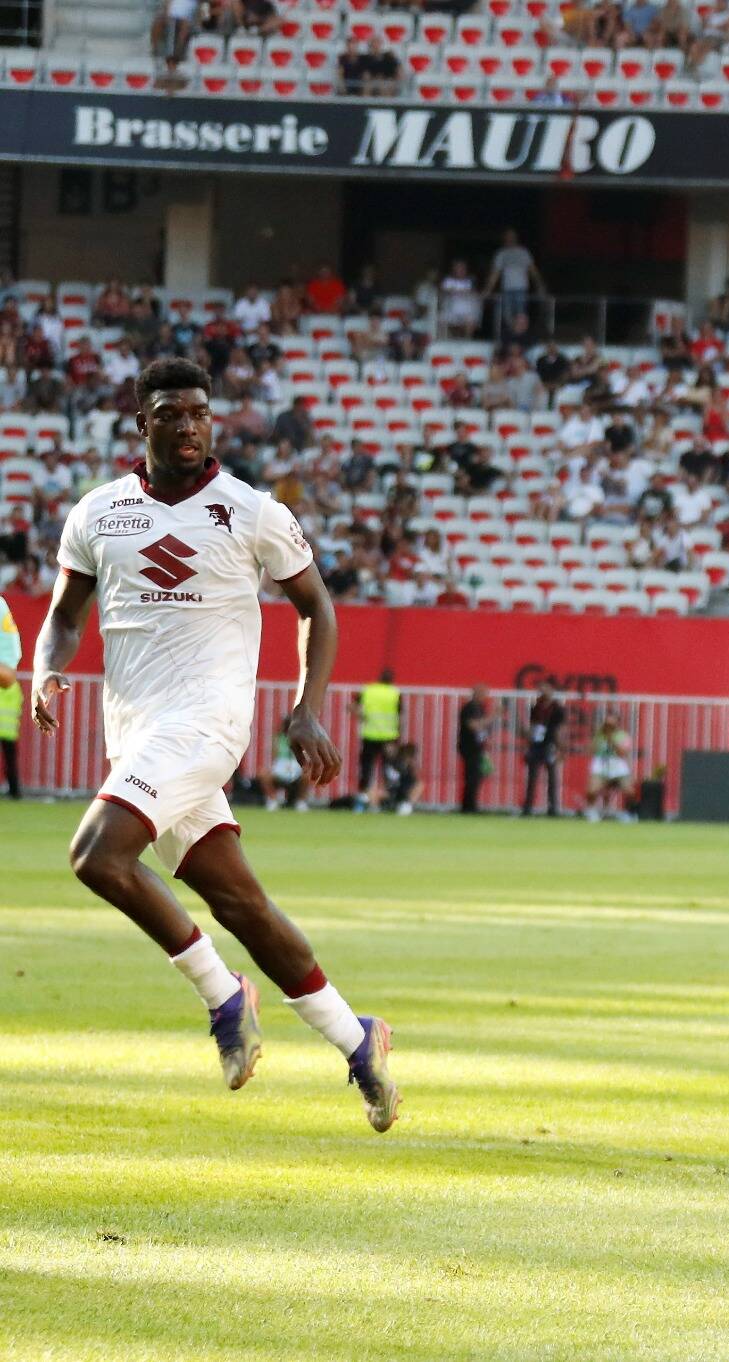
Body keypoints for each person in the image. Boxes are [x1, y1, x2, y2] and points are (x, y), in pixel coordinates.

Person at [28, 357, 398, 1130]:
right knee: (241, 904)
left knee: (96, 856)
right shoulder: (98, 513)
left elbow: (317, 607)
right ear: (144, 423)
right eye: (171, 413)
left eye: (199, 412)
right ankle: (357, 1039)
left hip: (206, 723)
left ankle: (225, 999)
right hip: (136, 733)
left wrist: (305, 710)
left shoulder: (252, 511)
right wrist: (46, 667)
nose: (189, 425)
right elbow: (64, 614)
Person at [351, 668, 401, 810]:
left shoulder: (368, 690)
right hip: (389, 737)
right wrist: (398, 736)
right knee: (388, 771)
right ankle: (385, 801)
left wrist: (363, 717)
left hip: (370, 734)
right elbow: (400, 716)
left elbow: (353, 707)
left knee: (366, 770)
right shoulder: (395, 693)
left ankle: (363, 801)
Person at [521, 677, 565, 816]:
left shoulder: (558, 708)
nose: (542, 690)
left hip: (550, 744)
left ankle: (553, 808)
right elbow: (532, 726)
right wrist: (528, 742)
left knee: (552, 777)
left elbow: (559, 729)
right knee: (532, 776)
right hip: (536, 744)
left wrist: (560, 748)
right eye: (540, 688)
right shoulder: (536, 707)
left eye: (545, 687)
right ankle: (528, 807)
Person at [586, 714, 634, 823]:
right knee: (592, 790)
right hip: (601, 765)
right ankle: (591, 811)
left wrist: (611, 739)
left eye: (611, 724)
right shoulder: (599, 735)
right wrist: (598, 736)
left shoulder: (623, 736)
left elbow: (622, 752)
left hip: (618, 765)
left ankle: (627, 813)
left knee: (629, 791)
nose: (609, 727)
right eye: (607, 724)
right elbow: (591, 750)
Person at [456, 684, 493, 814]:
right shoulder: (469, 708)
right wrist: (493, 716)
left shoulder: (479, 708)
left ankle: (470, 805)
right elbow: (473, 725)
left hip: (478, 747)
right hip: (469, 747)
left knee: (476, 777)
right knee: (472, 777)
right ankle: (468, 807)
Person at [0, 591, 21, 798]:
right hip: (7, 727)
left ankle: (14, 790)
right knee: (9, 757)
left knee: (10, 757)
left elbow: (7, 676)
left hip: (5, 726)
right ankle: (14, 790)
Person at [258, 732, 306, 811]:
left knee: (308, 774)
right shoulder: (278, 739)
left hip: (296, 770)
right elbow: (275, 758)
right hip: (280, 770)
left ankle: (300, 802)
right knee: (263, 774)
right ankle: (273, 800)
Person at [379, 740, 419, 816]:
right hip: (391, 788)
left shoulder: (403, 759)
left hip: (403, 789)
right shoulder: (385, 760)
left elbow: (415, 777)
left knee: (419, 785)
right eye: (386, 746)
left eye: (390, 746)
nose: (388, 749)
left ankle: (407, 806)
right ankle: (375, 809)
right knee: (376, 790)